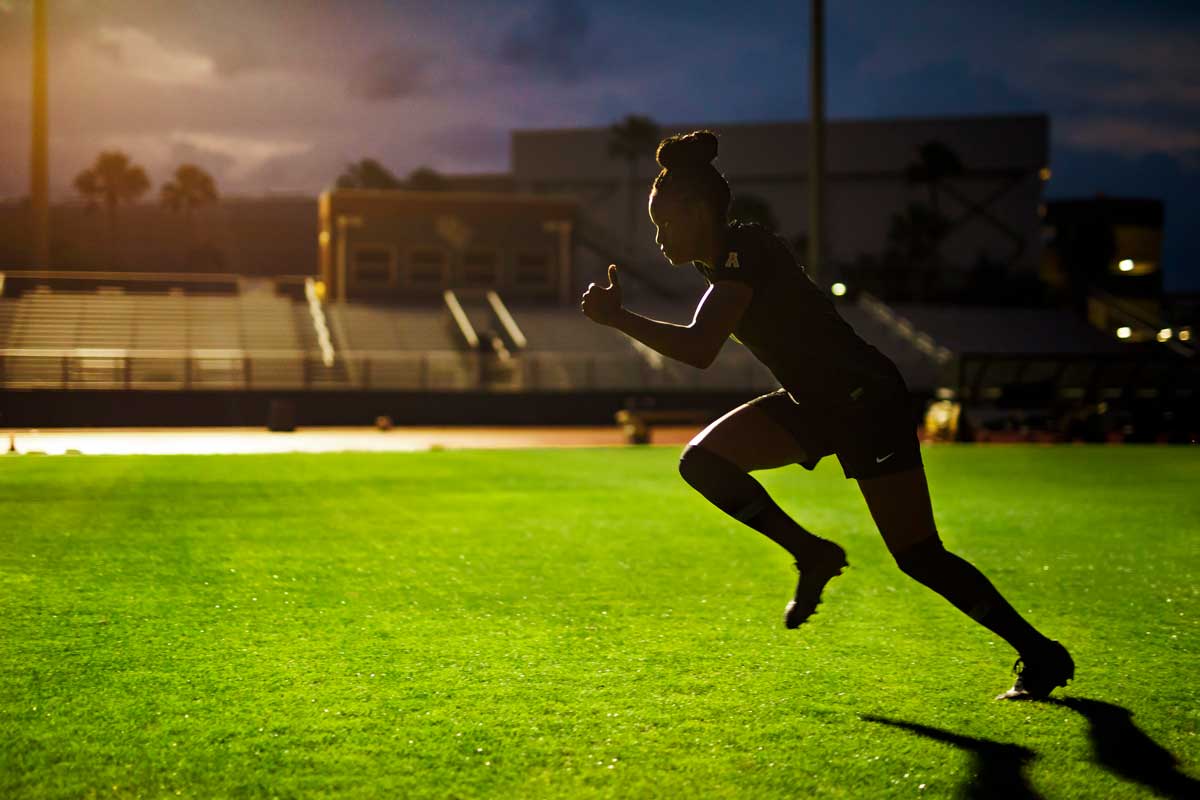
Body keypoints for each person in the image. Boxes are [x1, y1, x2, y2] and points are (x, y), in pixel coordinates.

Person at [580, 130, 1073, 701]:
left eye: (664, 223)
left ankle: (1039, 653)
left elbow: (700, 347)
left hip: (866, 400)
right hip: (817, 404)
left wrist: (619, 320)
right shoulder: (719, 261)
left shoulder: (746, 250)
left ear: (697, 210)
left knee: (918, 556)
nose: (658, 239)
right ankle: (810, 551)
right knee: (703, 463)